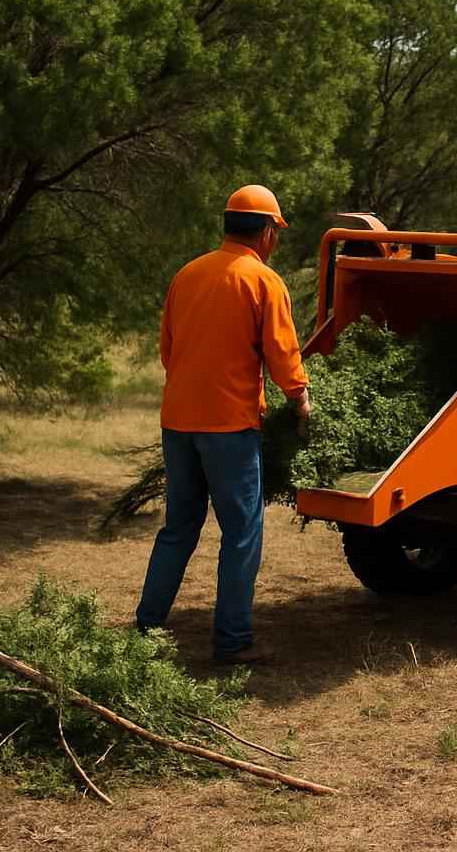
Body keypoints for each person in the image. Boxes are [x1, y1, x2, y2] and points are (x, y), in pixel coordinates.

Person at [135, 184, 312, 664]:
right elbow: (281, 353)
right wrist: (299, 399)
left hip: (178, 423)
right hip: (229, 429)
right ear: (267, 232)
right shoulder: (263, 281)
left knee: (179, 528)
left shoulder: (187, 275)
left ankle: (146, 631)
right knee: (240, 533)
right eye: (276, 229)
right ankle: (231, 643)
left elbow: (168, 350)